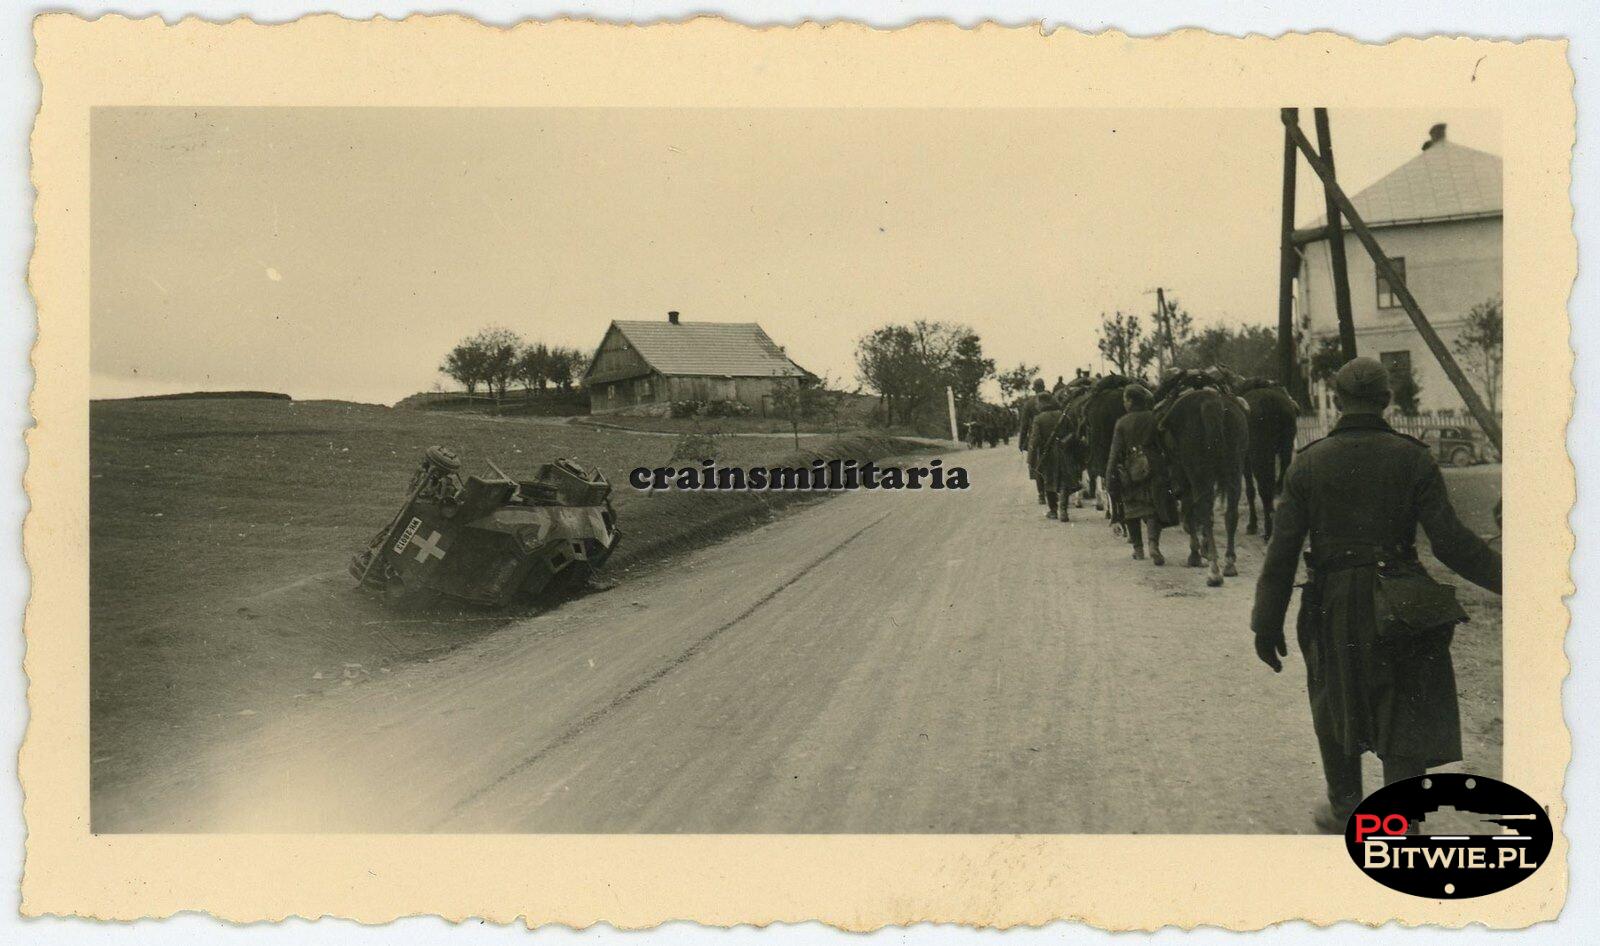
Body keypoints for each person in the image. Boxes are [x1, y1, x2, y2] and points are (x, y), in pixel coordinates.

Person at [1250, 357, 1501, 833]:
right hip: (1402, 596)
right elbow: (1449, 543)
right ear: (1387, 401)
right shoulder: (1414, 458)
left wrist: (1266, 623)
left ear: (1338, 401)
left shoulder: (1308, 463)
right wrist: (1514, 580)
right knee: (1405, 699)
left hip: (1331, 598)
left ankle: (1346, 808)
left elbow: (1281, 553)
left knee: (1334, 695)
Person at [1104, 384, 1168, 564]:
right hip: (1153, 466)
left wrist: (1110, 475)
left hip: (1130, 469)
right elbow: (1164, 444)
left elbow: (1114, 453)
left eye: (1125, 399)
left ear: (1131, 402)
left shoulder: (1122, 422)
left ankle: (1138, 549)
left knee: (1131, 508)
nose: (1124, 403)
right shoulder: (1153, 418)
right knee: (1153, 507)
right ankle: (1154, 545)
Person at [1016, 378, 1049, 503]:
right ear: (1044, 386)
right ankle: (1051, 492)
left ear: (1035, 389)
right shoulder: (1051, 399)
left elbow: (1024, 425)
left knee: (1037, 465)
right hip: (1051, 435)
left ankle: (1041, 495)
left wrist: (1022, 442)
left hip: (1036, 438)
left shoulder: (1029, 403)